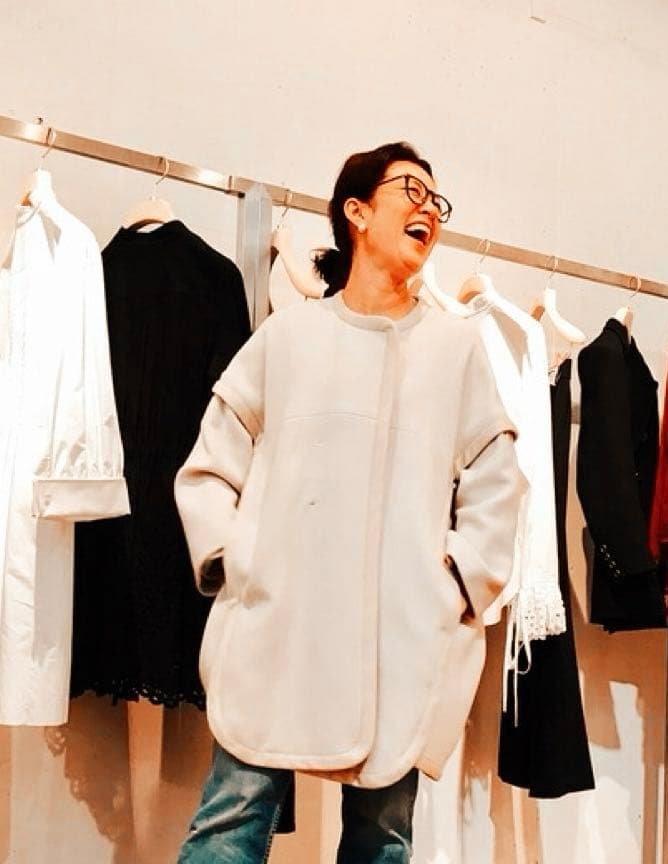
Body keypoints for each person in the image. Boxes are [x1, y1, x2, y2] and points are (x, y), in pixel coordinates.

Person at [174, 142, 524, 863]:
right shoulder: (289, 335)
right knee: (230, 823)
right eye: (411, 191)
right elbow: (210, 464)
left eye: (437, 200)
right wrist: (235, 559)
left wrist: (454, 583)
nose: (429, 210)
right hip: (280, 626)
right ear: (356, 212)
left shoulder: (455, 348)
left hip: (401, 635)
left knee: (383, 837)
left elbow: (498, 480)